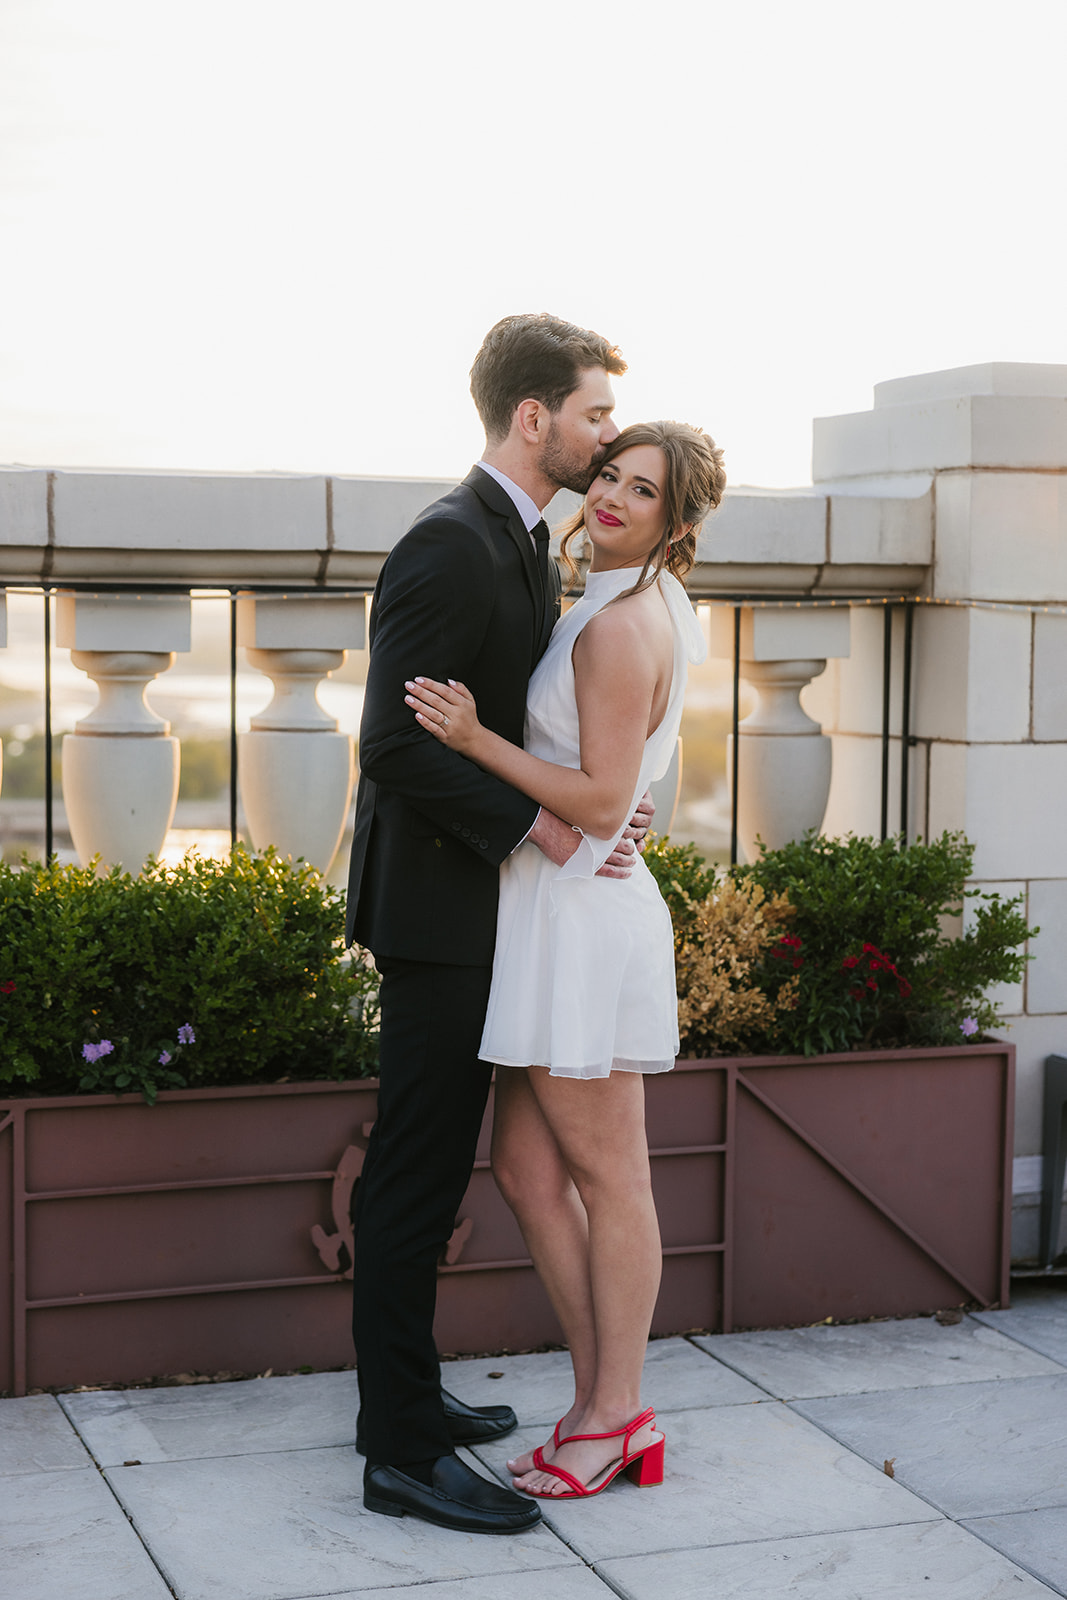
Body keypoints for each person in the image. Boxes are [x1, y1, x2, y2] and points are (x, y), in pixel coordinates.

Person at [345, 312, 651, 1535]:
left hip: (490, 911)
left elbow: (538, 735)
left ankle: (403, 1398)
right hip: (435, 912)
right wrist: (541, 829)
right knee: (413, 1180)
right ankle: (400, 1450)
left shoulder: (523, 538)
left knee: (443, 1167)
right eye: (590, 414)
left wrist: (594, 805)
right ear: (534, 419)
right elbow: (386, 744)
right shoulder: (449, 545)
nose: (604, 434)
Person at [404, 419, 726, 1500]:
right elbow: (632, 777)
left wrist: (472, 737)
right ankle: (596, 1399)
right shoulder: (620, 603)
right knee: (530, 1170)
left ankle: (616, 1412)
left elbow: (594, 798)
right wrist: (626, 807)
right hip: (559, 911)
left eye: (641, 491)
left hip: (580, 922)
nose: (612, 499)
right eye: (608, 477)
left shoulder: (617, 626)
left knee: (608, 1174)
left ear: (675, 523)